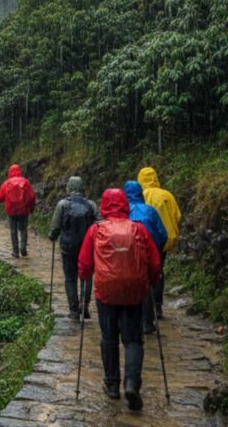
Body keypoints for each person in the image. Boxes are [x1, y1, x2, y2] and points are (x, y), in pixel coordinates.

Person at [78, 189, 161, 411]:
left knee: (109, 337)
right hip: (134, 292)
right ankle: (132, 384)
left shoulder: (96, 230)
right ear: (125, 205)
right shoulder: (139, 229)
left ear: (104, 206)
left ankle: (112, 384)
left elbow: (85, 263)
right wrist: (150, 282)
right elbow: (154, 263)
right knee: (133, 339)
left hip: (106, 291)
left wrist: (84, 277)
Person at [48, 176, 99, 320]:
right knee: (86, 276)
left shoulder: (62, 204)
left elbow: (55, 226)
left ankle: (74, 310)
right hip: (87, 248)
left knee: (70, 278)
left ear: (69, 187)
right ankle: (85, 306)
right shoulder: (91, 205)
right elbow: (99, 224)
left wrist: (52, 236)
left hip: (68, 248)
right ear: (82, 188)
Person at [123, 180, 169, 334]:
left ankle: (128, 320)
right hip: (148, 253)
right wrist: (156, 249)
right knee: (147, 286)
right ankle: (147, 322)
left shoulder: (123, 211)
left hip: (127, 254)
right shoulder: (150, 211)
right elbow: (163, 234)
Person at [138, 167, 181, 319]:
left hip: (144, 240)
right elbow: (177, 215)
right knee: (159, 270)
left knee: (143, 272)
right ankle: (158, 305)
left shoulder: (141, 195)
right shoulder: (167, 195)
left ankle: (144, 306)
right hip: (164, 240)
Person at [0, 165, 36, 258]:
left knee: (13, 230)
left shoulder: (6, 183)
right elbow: (32, 196)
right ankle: (23, 248)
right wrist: (32, 208)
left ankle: (15, 251)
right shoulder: (25, 182)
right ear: (19, 171)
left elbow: (0, 198)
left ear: (10, 172)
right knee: (23, 229)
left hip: (11, 211)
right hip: (24, 210)